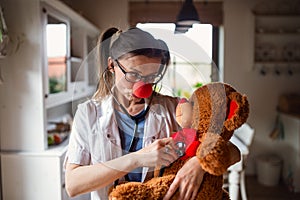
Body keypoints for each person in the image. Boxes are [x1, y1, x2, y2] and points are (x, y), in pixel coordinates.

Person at [64, 27, 235, 200]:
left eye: (151, 77)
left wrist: (198, 163)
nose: (142, 87)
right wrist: (137, 159)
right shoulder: (88, 113)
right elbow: (73, 184)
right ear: (111, 65)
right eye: (133, 75)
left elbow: (233, 150)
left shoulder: (176, 109)